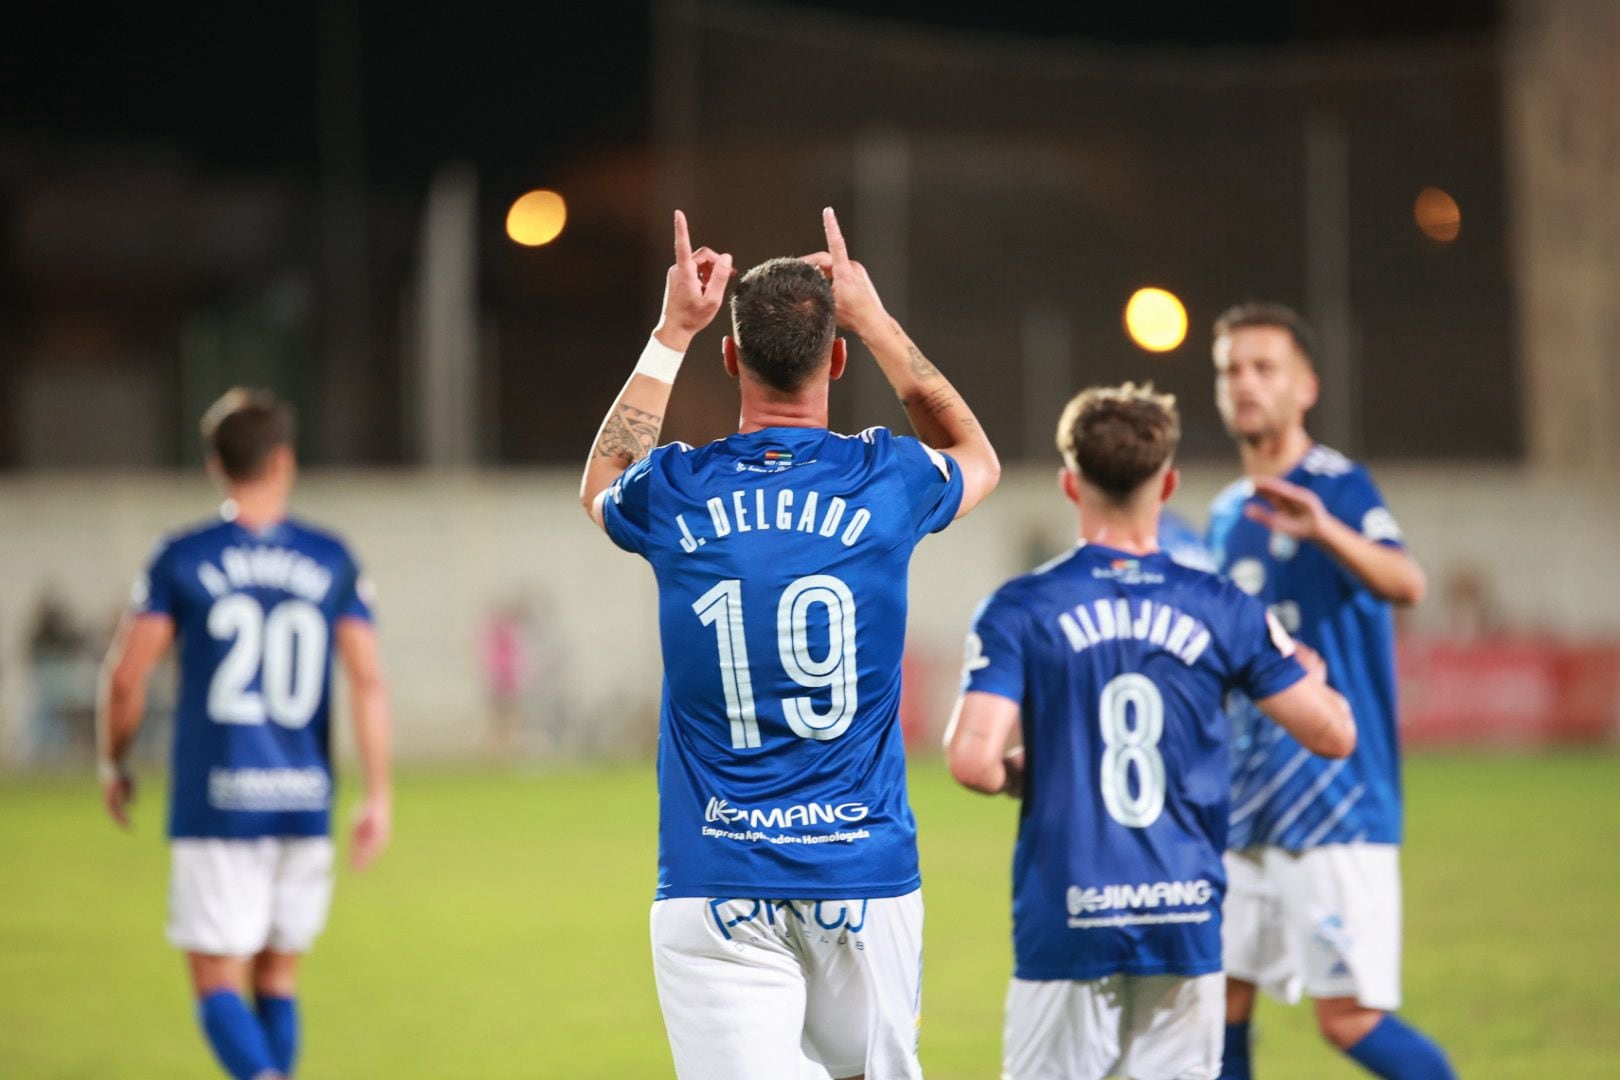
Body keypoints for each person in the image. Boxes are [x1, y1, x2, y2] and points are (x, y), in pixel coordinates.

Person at [579, 207, 1000, 1079]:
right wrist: (875, 317)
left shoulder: (678, 489)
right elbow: (974, 453)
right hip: (863, 868)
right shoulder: (889, 478)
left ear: (730, 357)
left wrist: (670, 332)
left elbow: (601, 483)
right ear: (837, 359)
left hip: (712, 870)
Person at [946, 382, 1355, 1080]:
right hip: (1185, 911)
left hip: (1067, 916)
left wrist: (1038, 773)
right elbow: (1334, 735)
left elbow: (973, 763)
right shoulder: (1225, 607)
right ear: (1167, 483)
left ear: (1070, 484)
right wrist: (1304, 671)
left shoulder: (1022, 608)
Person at [97, 389, 392, 1080]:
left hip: (217, 800)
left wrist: (114, 762)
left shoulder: (182, 556)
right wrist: (378, 794)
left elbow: (123, 678)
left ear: (215, 466)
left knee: (215, 979)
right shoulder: (331, 558)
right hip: (302, 798)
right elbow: (368, 680)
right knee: (277, 977)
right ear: (283, 462)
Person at [1206, 303, 1455, 1079]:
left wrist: (1326, 531)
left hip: (1337, 800)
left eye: (1263, 367)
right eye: (1231, 370)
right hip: (1243, 805)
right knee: (1216, 1009)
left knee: (1347, 1020)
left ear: (1304, 387)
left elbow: (1407, 582)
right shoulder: (1223, 513)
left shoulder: (1339, 486)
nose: (1245, 384)